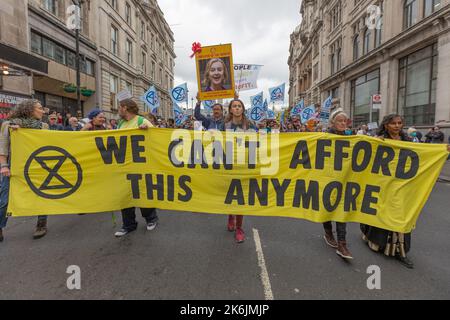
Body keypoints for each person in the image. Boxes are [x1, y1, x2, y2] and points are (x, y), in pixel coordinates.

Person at [360, 114, 414, 268]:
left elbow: (422, 155)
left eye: (399, 123)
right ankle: (378, 242)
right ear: (386, 125)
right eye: (393, 123)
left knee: (400, 215)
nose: (397, 126)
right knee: (381, 212)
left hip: (401, 185)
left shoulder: (408, 141)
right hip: (383, 184)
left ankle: (400, 250)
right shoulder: (378, 139)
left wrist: (442, 149)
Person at [0, 99, 50, 241]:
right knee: (4, 200)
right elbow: (2, 147)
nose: (43, 111)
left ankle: (41, 224)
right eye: (40, 108)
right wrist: (4, 166)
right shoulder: (8, 125)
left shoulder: (44, 126)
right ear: (29, 110)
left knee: (41, 195)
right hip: (13, 167)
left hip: (37, 166)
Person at [114, 99, 158, 237]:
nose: (118, 110)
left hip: (141, 166)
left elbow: (157, 138)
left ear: (125, 108)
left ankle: (151, 219)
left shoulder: (141, 121)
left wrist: (148, 130)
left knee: (142, 194)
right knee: (124, 196)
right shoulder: (121, 123)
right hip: (125, 166)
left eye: (119, 107)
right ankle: (128, 225)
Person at [320, 108, 353, 259]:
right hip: (327, 177)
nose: (342, 123)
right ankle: (328, 232)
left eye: (344, 121)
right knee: (327, 206)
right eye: (339, 121)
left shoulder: (352, 137)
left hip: (344, 178)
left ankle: (342, 243)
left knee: (341, 208)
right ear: (332, 122)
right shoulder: (325, 136)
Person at [224, 98, 257, 243]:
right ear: (230, 109)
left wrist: (268, 131)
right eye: (234, 106)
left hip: (244, 164)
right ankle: (231, 215)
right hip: (229, 164)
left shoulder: (250, 124)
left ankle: (239, 228)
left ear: (243, 109)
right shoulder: (224, 125)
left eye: (239, 106)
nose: (237, 108)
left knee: (241, 197)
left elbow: (259, 141)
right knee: (230, 194)